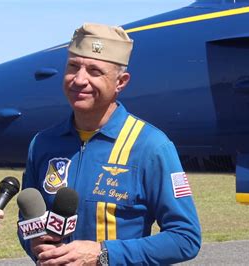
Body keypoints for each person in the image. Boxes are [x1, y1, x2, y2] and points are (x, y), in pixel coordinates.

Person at [18, 23, 201, 265]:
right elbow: (26, 222)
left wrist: (103, 254)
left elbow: (185, 238)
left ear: (121, 82)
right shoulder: (42, 143)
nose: (79, 79)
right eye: (73, 67)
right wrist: (35, 244)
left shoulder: (151, 147)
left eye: (95, 71)